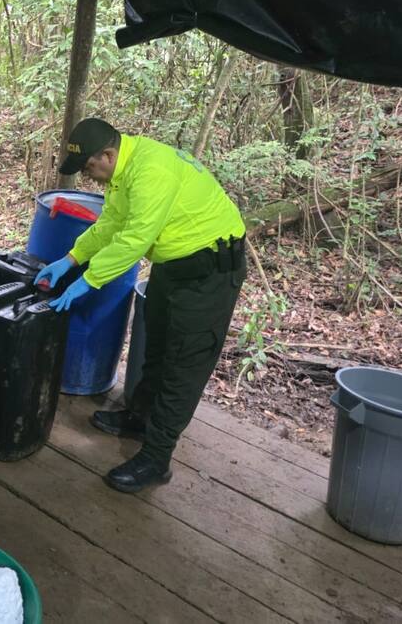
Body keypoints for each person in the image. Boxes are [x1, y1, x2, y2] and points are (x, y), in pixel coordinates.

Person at [37, 118, 246, 493]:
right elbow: (111, 225)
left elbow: (134, 239)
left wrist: (89, 280)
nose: (89, 176)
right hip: (175, 263)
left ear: (108, 154)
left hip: (209, 271)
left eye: (89, 168)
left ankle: (157, 458)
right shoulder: (124, 172)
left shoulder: (151, 171)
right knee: (158, 346)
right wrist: (70, 260)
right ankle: (140, 418)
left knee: (184, 364)